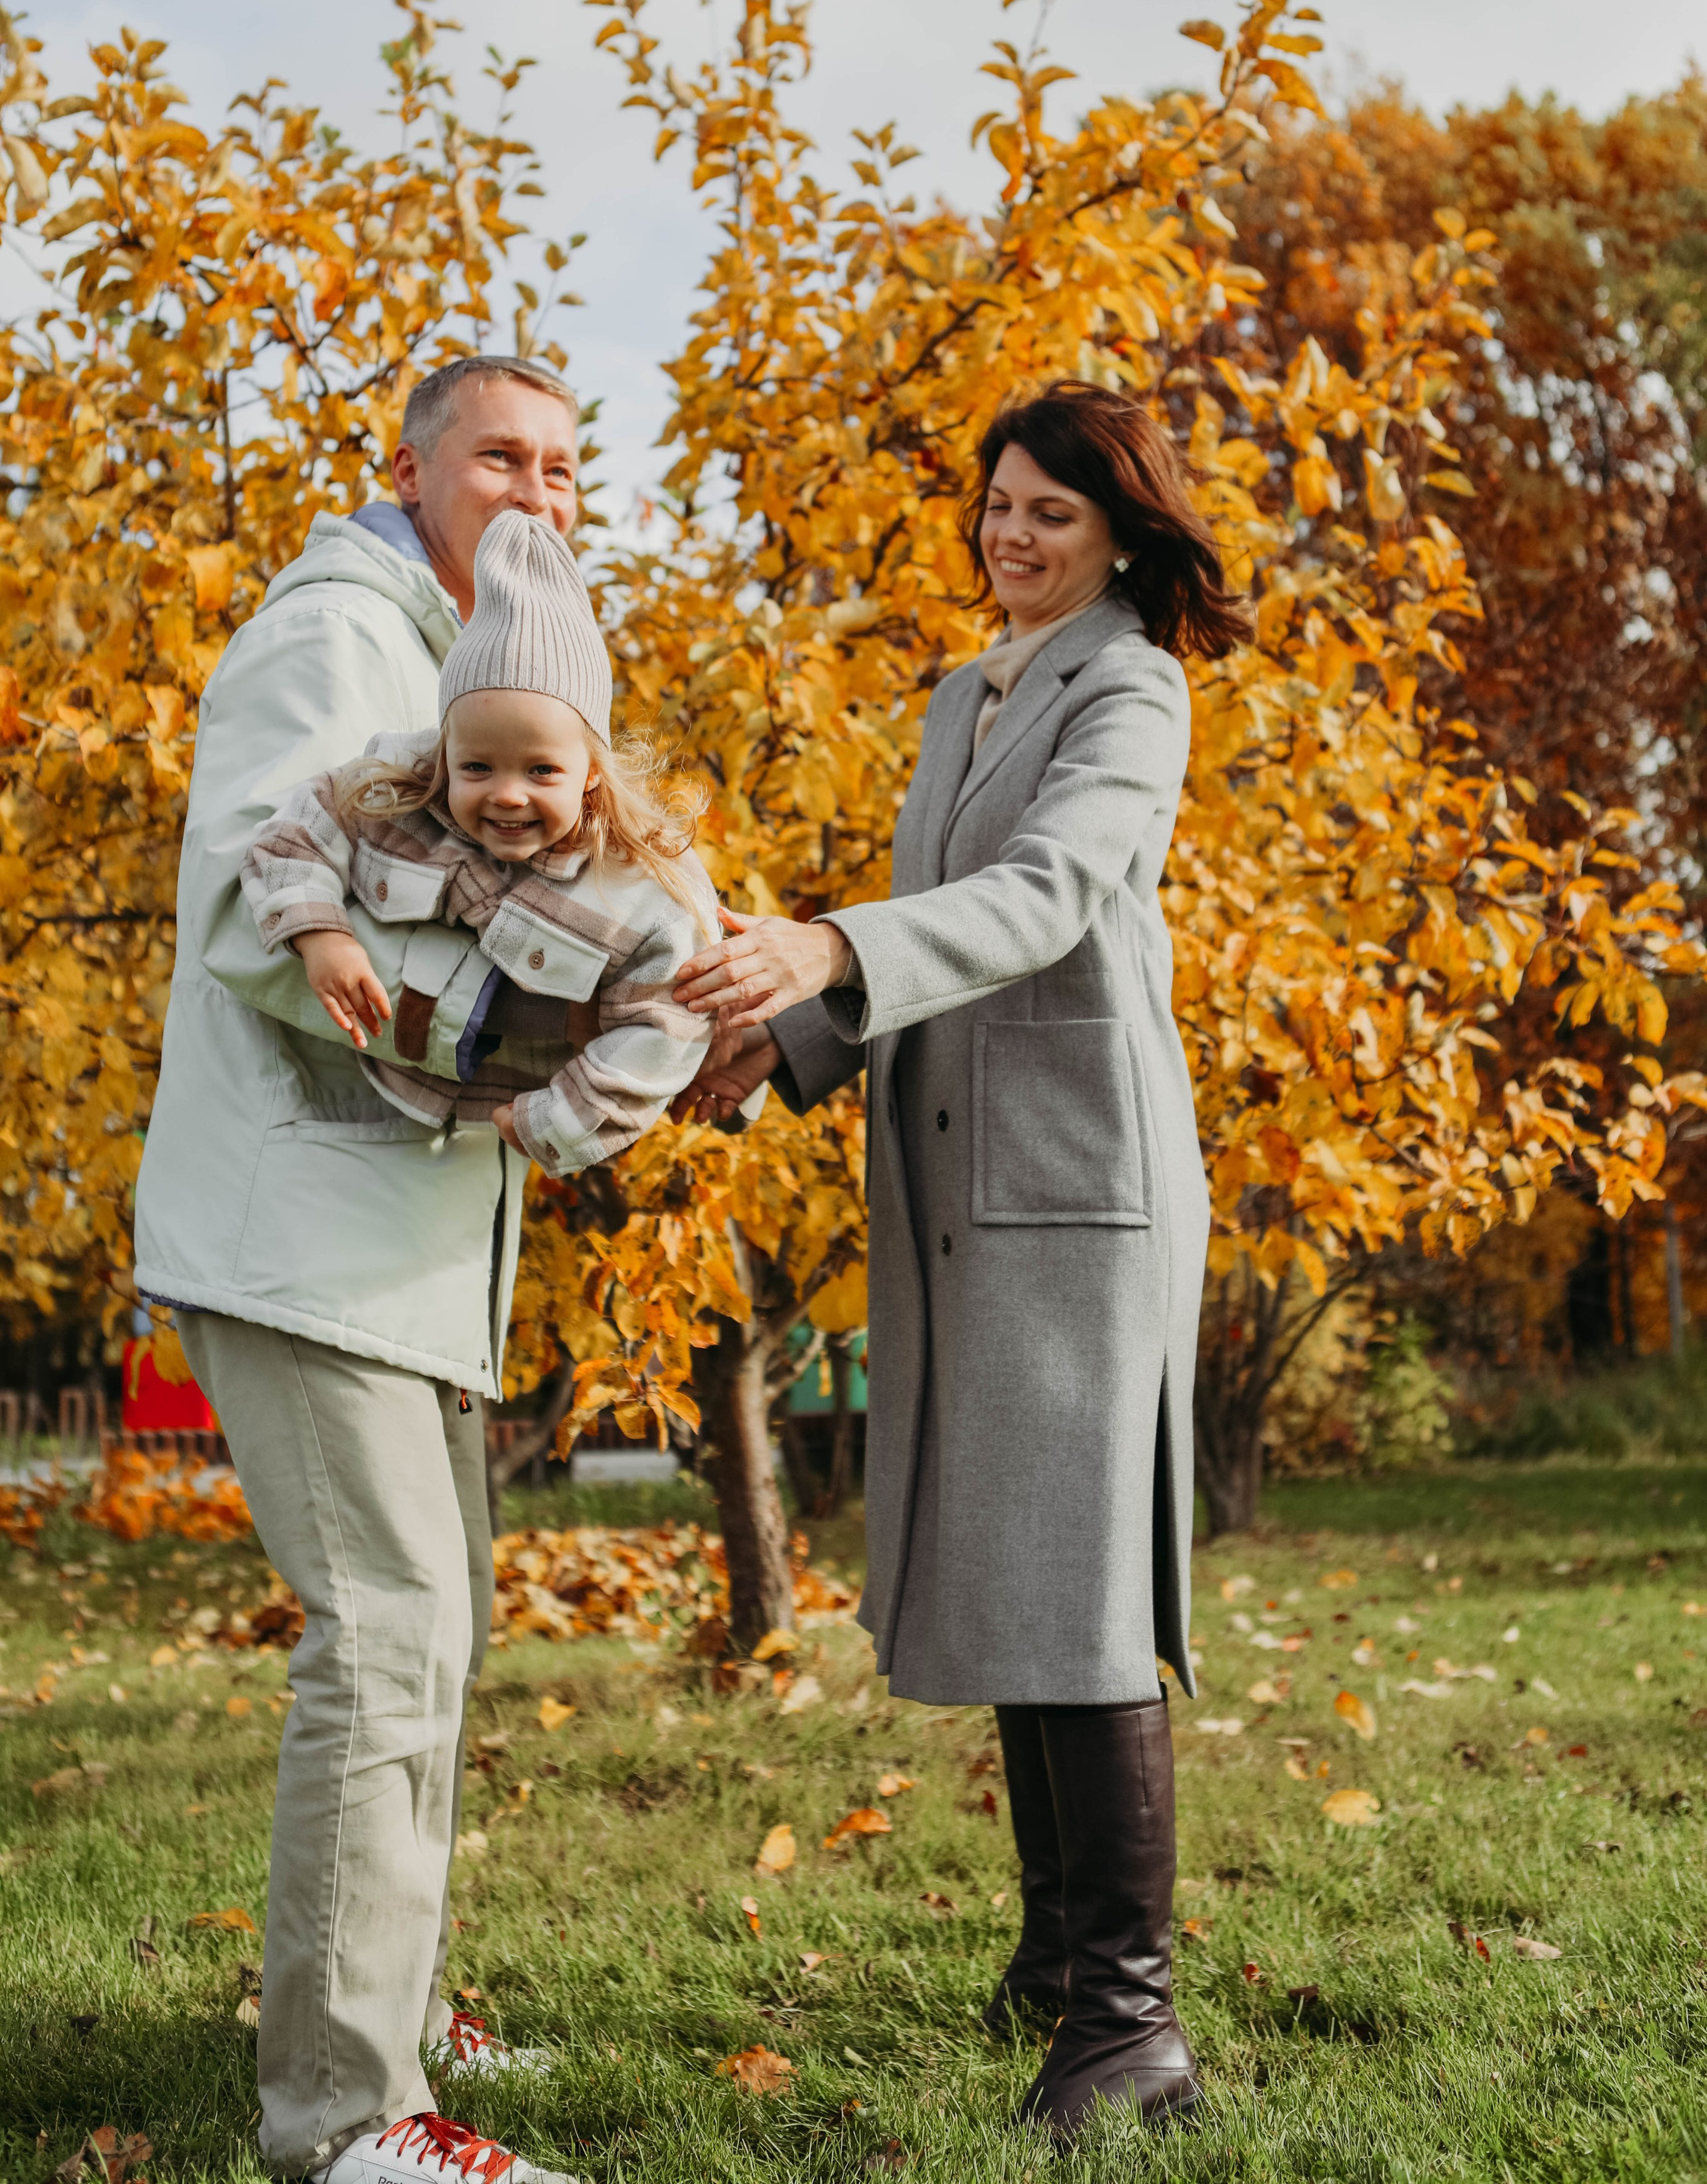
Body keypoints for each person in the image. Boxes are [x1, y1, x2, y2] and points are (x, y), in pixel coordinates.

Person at [671, 380, 1252, 2137]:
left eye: (1050, 516)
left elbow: (1051, 900)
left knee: (1078, 1592)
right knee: (1018, 1569)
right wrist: (785, 1048)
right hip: (962, 1184)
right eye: (999, 505)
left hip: (1079, 1192)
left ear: (1123, 537)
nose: (1011, 536)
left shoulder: (1132, 689)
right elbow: (943, 952)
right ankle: (1060, 1963)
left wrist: (822, 946)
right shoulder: (965, 695)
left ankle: (1134, 2026)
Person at [134, 358, 594, 2184]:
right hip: (306, 1230)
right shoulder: (340, 635)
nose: (539, 490)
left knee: (430, 1639)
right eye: (502, 456)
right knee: (388, 1637)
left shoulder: (483, 663)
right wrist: (497, 1035)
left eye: (566, 466)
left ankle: (390, 2012)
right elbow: (259, 893)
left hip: (397, 1248)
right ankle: (349, 2119)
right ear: (406, 468)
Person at [240, 508, 716, 1177]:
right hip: (378, 1100)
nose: (508, 794)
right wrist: (323, 935)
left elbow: (668, 1024)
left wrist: (556, 1124)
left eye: (542, 770)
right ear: (443, 755)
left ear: (591, 773)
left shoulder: (637, 886)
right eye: (477, 767)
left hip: (496, 1146)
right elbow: (288, 838)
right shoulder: (399, 799)